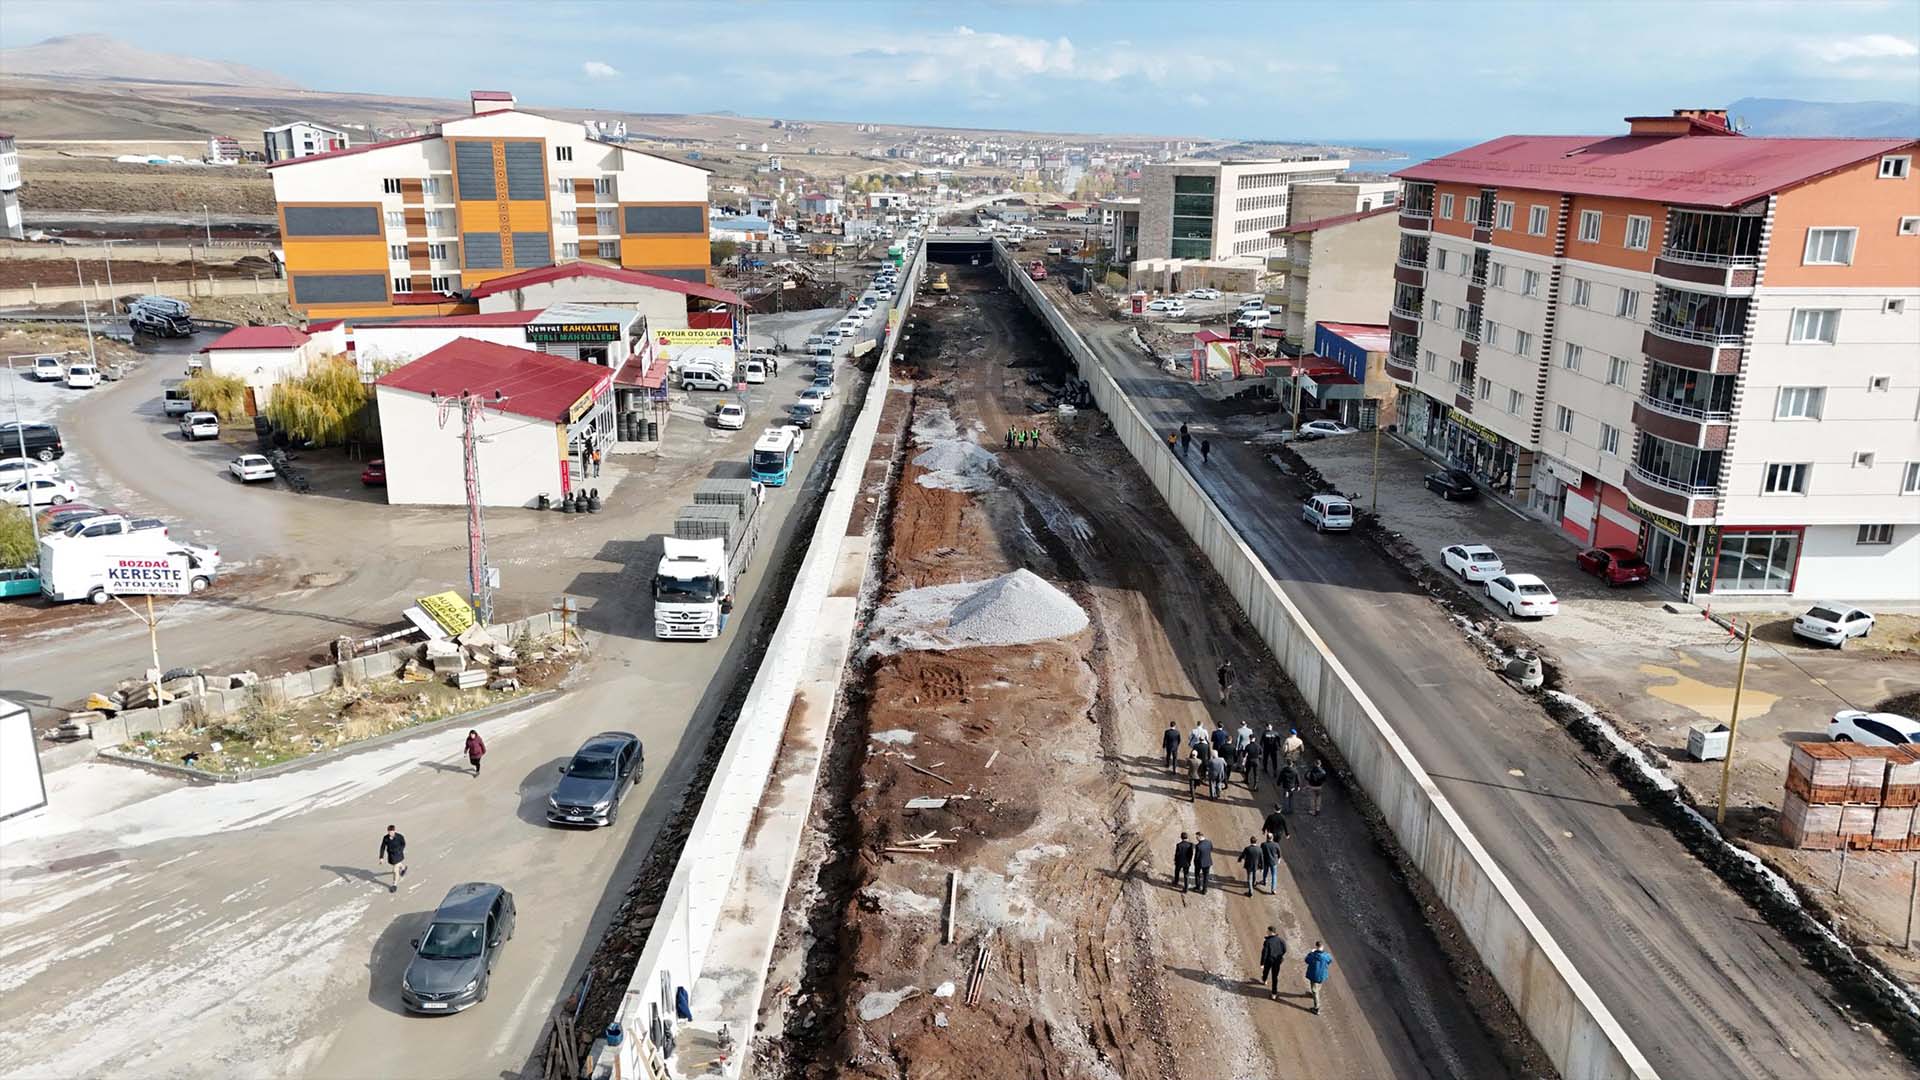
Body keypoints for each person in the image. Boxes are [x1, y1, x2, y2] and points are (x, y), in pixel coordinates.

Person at [1258, 928, 1288, 1000]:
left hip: (1269, 960)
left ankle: (1264, 980)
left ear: (1271, 932)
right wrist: (1280, 956)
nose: (1267, 932)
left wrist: (1262, 963)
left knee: (1266, 970)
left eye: (1268, 931)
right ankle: (1274, 993)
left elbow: (1264, 953)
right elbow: (1285, 949)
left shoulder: (1267, 941)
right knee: (1275, 977)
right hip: (1277, 961)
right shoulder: (1281, 940)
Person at [1304, 942, 1334, 1014]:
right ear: (1322, 947)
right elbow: (1330, 961)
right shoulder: (1327, 955)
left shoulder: (1313, 955)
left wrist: (1311, 952)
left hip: (1314, 975)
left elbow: (1306, 960)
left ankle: (1317, 1008)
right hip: (1322, 975)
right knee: (1319, 985)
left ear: (1316, 947)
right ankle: (1314, 994)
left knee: (1315, 990)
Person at [378, 825, 408, 894]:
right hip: (391, 856)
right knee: (398, 865)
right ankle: (403, 868)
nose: (390, 833)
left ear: (394, 831)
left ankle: (394, 885)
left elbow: (403, 844)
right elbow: (382, 847)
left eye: (391, 832)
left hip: (398, 854)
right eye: (389, 832)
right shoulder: (385, 838)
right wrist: (381, 857)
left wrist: (400, 850)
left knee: (395, 870)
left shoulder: (400, 836)